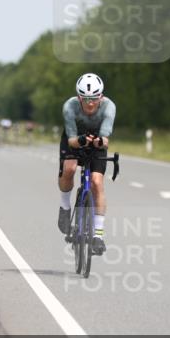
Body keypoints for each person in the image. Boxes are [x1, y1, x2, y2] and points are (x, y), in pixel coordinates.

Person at [57, 73, 116, 255]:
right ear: (79, 97)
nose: (90, 103)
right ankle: (65, 207)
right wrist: (82, 140)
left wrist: (98, 142)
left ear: (101, 97)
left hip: (97, 140)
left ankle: (98, 235)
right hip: (75, 138)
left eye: (94, 98)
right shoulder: (70, 107)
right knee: (70, 169)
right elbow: (73, 140)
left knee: (97, 183)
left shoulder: (108, 107)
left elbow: (105, 140)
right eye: (86, 98)